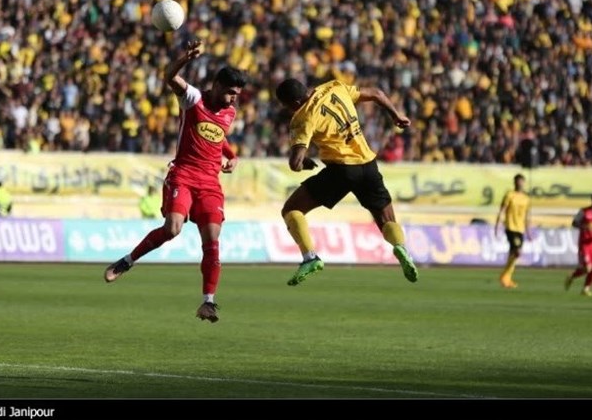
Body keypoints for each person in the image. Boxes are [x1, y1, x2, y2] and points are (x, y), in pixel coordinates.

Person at [103, 39, 246, 323]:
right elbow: (169, 76)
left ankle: (208, 302)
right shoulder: (193, 99)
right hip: (184, 174)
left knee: (212, 239)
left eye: (237, 95)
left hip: (210, 182)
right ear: (217, 85)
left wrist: (232, 156)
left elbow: (217, 136)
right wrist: (185, 58)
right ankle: (127, 261)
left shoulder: (230, 112)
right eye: (230, 92)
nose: (233, 99)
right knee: (172, 229)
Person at [274, 77, 418, 286]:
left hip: (341, 170)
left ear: (294, 103)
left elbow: (295, 163)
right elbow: (376, 93)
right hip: (368, 165)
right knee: (386, 219)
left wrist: (303, 163)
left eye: (287, 106)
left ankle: (310, 257)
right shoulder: (334, 87)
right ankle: (401, 247)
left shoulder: (303, 117)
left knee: (291, 209)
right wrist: (396, 115)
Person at [564, 191, 592, 296]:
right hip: (584, 243)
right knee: (588, 268)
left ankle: (586, 289)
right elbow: (574, 223)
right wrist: (584, 227)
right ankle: (571, 277)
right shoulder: (584, 211)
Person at [494, 173, 531, 288]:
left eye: (522, 181)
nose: (520, 184)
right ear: (514, 182)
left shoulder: (526, 198)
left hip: (520, 229)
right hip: (510, 227)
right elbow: (502, 210)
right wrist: (497, 226)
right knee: (518, 251)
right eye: (518, 181)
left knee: (514, 254)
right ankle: (505, 276)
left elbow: (527, 216)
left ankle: (507, 278)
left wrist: (528, 231)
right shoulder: (509, 195)